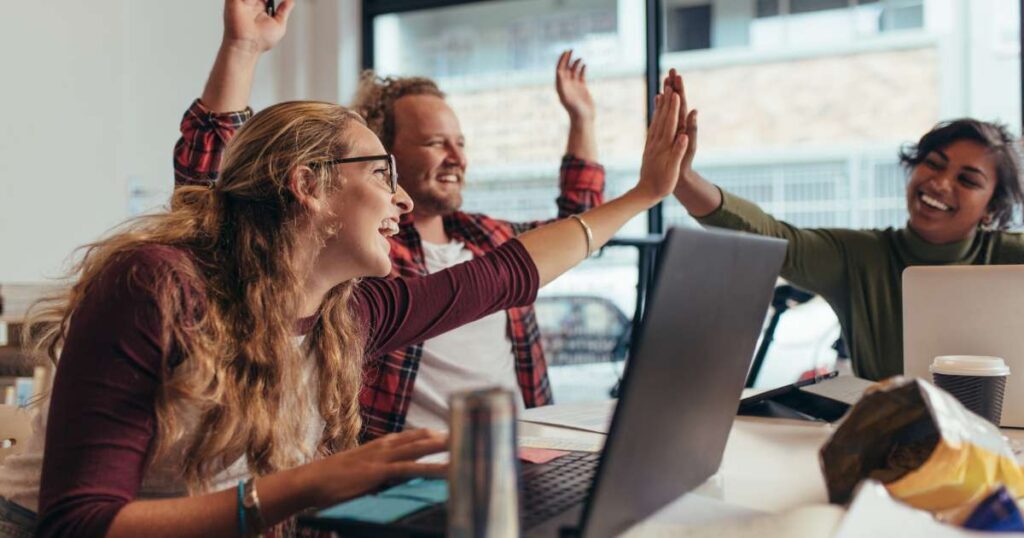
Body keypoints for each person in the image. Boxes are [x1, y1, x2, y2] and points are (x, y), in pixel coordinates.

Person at [1, 15, 691, 538]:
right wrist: (306, 486)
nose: (400, 200)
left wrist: (645, 195)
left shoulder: (345, 313)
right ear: (308, 187)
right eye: (382, 173)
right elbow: (77, 524)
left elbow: (510, 273)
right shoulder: (155, 287)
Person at [174, 0, 607, 438]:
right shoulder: (358, 253)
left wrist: (583, 120)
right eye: (436, 143)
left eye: (460, 142)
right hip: (404, 475)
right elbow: (217, 194)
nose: (456, 157)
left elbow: (581, 230)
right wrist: (242, 49)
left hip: (513, 454)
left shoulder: (487, 237)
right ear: (385, 154)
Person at [664, 70, 1024, 381]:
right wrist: (682, 179)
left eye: (968, 180)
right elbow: (772, 235)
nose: (941, 183)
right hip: (890, 447)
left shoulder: (1011, 257)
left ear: (991, 208)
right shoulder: (859, 257)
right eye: (933, 163)